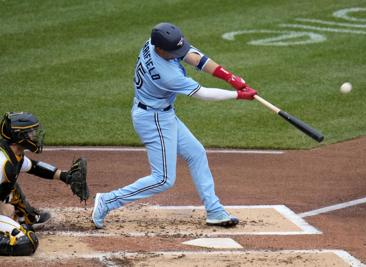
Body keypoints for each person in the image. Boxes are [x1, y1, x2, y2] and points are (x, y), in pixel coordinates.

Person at [92, 22, 257, 229]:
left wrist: (230, 77)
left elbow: (196, 58)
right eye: (173, 51)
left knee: (196, 153)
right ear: (160, 49)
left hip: (161, 114)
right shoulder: (167, 75)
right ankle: (108, 200)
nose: (178, 53)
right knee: (163, 179)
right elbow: (203, 94)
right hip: (154, 120)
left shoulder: (154, 44)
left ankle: (214, 210)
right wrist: (238, 95)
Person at [0, 112, 89, 255]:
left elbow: (34, 167)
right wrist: (3, 208)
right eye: (31, 132)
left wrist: (65, 176)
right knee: (26, 242)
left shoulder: (14, 154)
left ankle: (25, 218)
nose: (35, 136)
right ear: (19, 136)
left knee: (10, 187)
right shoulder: (2, 161)